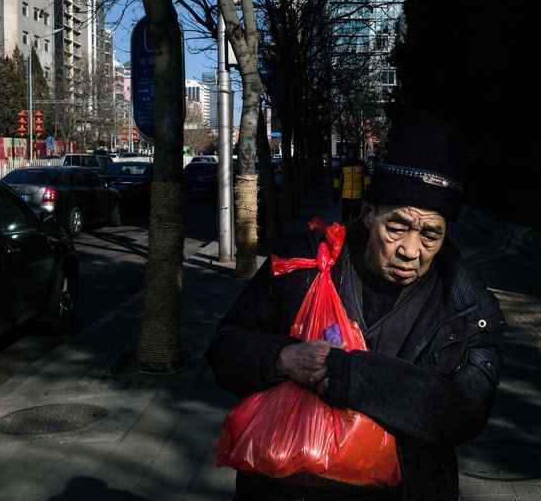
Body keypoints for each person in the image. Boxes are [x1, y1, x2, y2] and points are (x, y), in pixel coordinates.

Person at [206, 119, 506, 501]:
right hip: (290, 486)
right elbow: (224, 349)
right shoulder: (303, 264)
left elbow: (465, 413)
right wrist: (280, 358)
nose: (411, 251)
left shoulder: (468, 308)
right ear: (369, 212)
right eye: (397, 228)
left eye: (430, 234)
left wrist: (345, 373)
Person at [340, 146, 366, 223]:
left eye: (353, 152)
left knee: (356, 216)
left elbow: (366, 178)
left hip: (357, 196)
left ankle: (354, 232)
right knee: (345, 216)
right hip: (346, 196)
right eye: (350, 152)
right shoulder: (344, 164)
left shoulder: (361, 164)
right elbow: (338, 178)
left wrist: (367, 190)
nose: (352, 154)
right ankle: (346, 231)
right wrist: (335, 189)